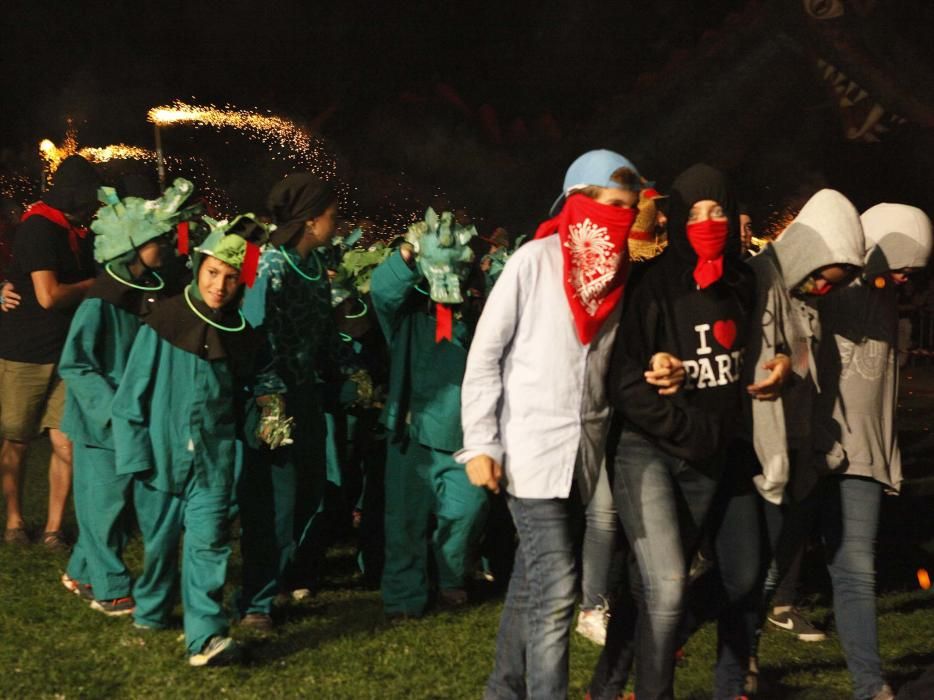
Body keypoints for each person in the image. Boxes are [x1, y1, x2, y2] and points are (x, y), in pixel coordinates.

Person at [459, 149, 675, 698]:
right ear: (580, 204)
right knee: (558, 588)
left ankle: (502, 690)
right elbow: (485, 354)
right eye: (613, 206)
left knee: (533, 585)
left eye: (631, 207)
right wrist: (480, 441)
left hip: (581, 456)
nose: (625, 218)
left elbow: (615, 361)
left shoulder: (619, 278)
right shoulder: (532, 262)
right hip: (528, 453)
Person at [589, 164, 755, 700]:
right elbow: (624, 380)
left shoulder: (743, 283)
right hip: (650, 449)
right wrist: (672, 401)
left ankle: (609, 683)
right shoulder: (652, 283)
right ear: (677, 218)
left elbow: (749, 362)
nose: (708, 223)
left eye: (718, 211)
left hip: (708, 457)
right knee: (664, 586)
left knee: (652, 588)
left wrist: (775, 371)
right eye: (696, 213)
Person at [111, 214, 267, 667]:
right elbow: (129, 398)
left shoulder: (239, 333)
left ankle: (205, 636)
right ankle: (153, 608)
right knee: (159, 548)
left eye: (231, 278)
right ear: (199, 266)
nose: (219, 285)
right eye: (212, 272)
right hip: (159, 459)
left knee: (208, 544)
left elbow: (240, 397)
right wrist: (136, 458)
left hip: (212, 464)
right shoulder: (165, 320)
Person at [57, 178, 198, 614]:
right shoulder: (99, 301)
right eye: (159, 239)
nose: (167, 246)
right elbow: (75, 363)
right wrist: (112, 408)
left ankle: (82, 570)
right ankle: (109, 586)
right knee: (103, 505)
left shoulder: (150, 288)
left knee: (119, 506)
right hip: (102, 422)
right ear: (135, 244)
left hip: (133, 415)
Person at [807, 203, 931, 700]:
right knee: (765, 567)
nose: (905, 277)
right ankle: (740, 665)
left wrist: (886, 455)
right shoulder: (833, 291)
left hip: (862, 457)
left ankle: (870, 684)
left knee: (857, 567)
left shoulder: (883, 297)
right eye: (902, 263)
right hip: (814, 451)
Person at [371, 208, 489, 618]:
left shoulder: (479, 313)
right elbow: (381, 291)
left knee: (464, 512)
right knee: (404, 520)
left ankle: (451, 576)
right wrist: (409, 251)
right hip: (412, 429)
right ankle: (405, 595)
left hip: (464, 433)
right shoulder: (405, 314)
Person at [238, 173, 341, 629]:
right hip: (271, 397)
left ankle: (284, 577)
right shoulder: (270, 266)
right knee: (274, 499)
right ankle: (257, 600)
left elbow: (321, 338)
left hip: (306, 393)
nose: (337, 222)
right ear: (311, 222)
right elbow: (254, 336)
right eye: (331, 215)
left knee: (311, 491)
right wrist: (268, 400)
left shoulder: (317, 268)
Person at [0, 155, 100, 548]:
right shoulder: (40, 228)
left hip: (66, 351)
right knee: (18, 438)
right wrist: (92, 285)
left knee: (67, 440)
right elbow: (48, 296)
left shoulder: (74, 232)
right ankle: (14, 522)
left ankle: (54, 529)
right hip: (26, 350)